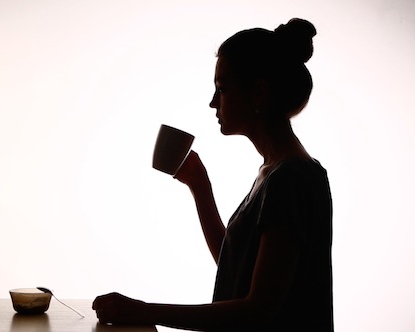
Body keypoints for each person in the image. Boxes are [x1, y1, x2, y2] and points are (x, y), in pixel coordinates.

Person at [92, 18, 333, 331]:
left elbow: (256, 311)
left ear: (259, 92)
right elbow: (237, 268)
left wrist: (144, 311)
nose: (212, 102)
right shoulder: (276, 172)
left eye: (222, 88)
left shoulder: (290, 179)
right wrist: (200, 189)